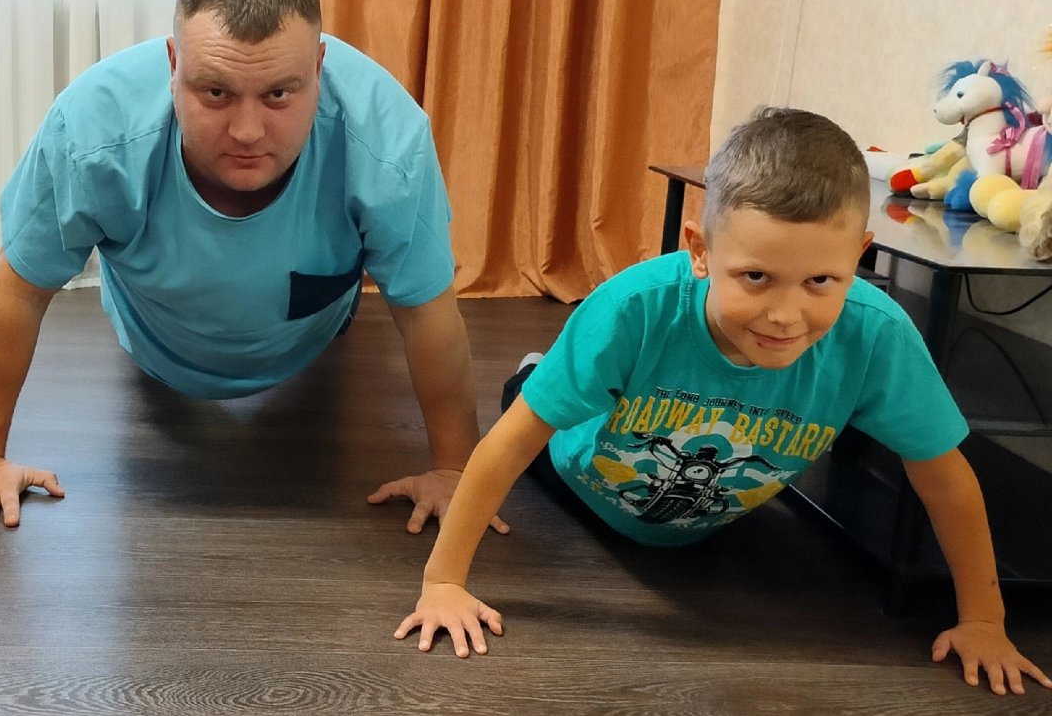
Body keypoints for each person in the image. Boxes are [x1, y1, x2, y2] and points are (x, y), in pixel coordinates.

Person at [394, 108, 1051, 696]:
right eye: (756, 276)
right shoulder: (634, 307)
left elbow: (945, 477)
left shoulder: (877, 335)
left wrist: (984, 620)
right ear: (700, 251)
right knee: (534, 398)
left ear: (860, 257)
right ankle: (544, 370)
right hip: (577, 469)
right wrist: (444, 582)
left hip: (704, 518)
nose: (786, 314)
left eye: (821, 280)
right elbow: (512, 442)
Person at [0, 0, 500, 537]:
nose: (247, 132)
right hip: (151, 340)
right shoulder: (91, 131)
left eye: (279, 94)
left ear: (319, 66)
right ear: (172, 64)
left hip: (313, 338)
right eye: (215, 93)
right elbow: (19, 288)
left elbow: (426, 310)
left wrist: (456, 469)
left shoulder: (387, 142)